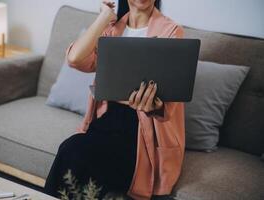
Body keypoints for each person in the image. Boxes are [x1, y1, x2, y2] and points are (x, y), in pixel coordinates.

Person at [44, 0, 185, 199]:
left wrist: (154, 105)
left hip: (143, 133)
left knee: (75, 153)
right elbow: (75, 58)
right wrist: (104, 17)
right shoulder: (112, 29)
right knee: (71, 150)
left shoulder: (171, 31)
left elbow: (170, 102)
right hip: (107, 122)